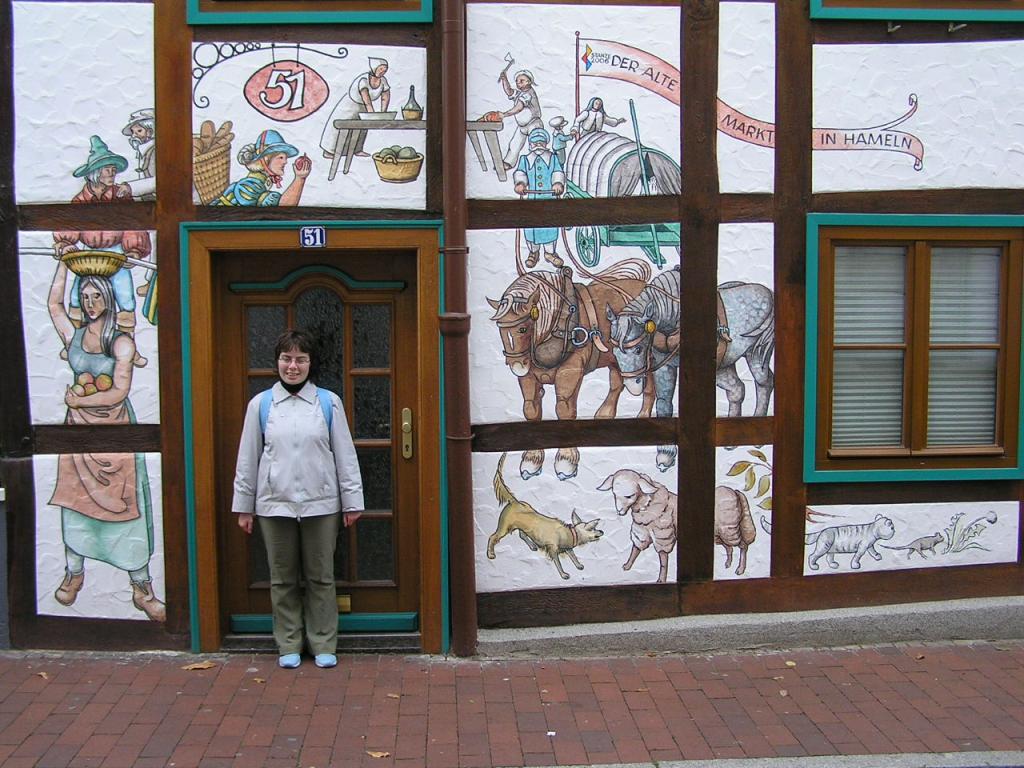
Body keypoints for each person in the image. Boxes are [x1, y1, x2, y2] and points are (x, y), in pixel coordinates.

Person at [232, 329, 364, 669]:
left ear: (310, 363)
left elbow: (345, 455)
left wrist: (352, 501)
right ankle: (288, 643)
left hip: (321, 505)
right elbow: (248, 458)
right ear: (277, 362)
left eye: (300, 359)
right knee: (282, 579)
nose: (293, 366)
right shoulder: (261, 405)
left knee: (321, 577)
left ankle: (323, 642)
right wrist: (244, 507)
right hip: (274, 506)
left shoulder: (328, 403)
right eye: (286, 359)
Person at [46, 257, 165, 622]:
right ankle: (74, 572)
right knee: (75, 503)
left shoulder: (122, 343)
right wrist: (62, 263)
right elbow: (53, 305)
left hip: (115, 432)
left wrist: (80, 400)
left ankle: (141, 587)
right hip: (78, 434)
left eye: (96, 296)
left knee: (125, 507)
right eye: (85, 296)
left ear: (109, 298)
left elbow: (119, 391)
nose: (90, 303)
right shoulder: (75, 336)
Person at [54, 135, 152, 367]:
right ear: (95, 173)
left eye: (113, 169)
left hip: (115, 253)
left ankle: (129, 348)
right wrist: (66, 243)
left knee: (125, 296)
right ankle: (74, 345)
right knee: (77, 297)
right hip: (88, 254)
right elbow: (69, 225)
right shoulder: (80, 201)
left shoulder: (121, 198)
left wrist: (133, 250)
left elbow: (132, 224)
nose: (112, 173)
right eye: (108, 169)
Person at [213, 129, 311, 207]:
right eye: (281, 157)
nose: (285, 162)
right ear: (266, 158)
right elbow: (282, 207)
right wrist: (300, 178)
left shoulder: (260, 181)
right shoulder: (249, 186)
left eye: (285, 158)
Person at [319, 58, 391, 161]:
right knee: (342, 128)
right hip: (350, 106)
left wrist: (383, 112)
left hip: (363, 108)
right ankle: (330, 151)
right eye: (381, 69)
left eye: (385, 69)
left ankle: (357, 150)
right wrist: (372, 113)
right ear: (374, 68)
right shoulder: (364, 80)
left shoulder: (383, 81)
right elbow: (366, 99)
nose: (383, 71)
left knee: (362, 128)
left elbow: (385, 96)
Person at [513, 127, 565, 268]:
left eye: (541, 143)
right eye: (535, 143)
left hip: (549, 200)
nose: (538, 145)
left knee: (549, 227)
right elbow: (520, 172)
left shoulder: (552, 158)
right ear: (530, 144)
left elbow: (557, 171)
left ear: (546, 144)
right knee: (531, 227)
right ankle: (533, 252)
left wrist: (557, 183)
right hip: (532, 201)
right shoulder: (525, 159)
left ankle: (550, 253)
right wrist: (520, 183)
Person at [499, 69, 542, 170]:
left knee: (536, 144)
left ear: (529, 81)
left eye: (521, 81)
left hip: (534, 124)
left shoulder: (529, 94)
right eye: (517, 81)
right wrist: (504, 79)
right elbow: (509, 92)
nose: (518, 83)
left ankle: (538, 165)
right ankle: (508, 163)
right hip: (522, 126)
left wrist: (504, 115)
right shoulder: (520, 93)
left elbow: (519, 107)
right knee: (514, 144)